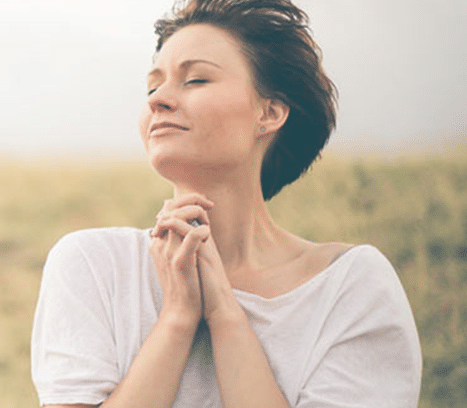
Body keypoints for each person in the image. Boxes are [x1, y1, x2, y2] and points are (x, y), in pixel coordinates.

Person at [30, 0, 423, 407]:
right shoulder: (93, 266)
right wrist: (178, 318)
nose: (157, 100)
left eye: (196, 80)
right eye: (152, 86)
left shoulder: (350, 286)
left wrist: (227, 317)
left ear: (268, 113)